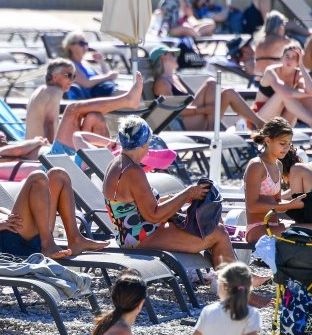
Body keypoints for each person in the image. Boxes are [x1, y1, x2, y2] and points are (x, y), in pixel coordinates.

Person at [103, 117, 271, 305]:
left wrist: (185, 199)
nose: (149, 148)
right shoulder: (133, 171)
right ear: (143, 143)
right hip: (141, 237)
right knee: (217, 233)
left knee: (211, 225)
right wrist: (187, 193)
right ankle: (239, 291)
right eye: (148, 143)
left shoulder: (117, 163)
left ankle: (233, 282)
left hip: (133, 233)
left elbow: (139, 208)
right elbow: (154, 214)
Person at [0, 150, 108, 259]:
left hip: (19, 229)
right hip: (7, 240)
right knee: (37, 177)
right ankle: (47, 243)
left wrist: (7, 215)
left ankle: (75, 239)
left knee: (58, 174)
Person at [25, 60, 143, 162]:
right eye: (68, 75)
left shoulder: (41, 90)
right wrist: (51, 148)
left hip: (49, 150)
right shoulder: (54, 90)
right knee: (72, 109)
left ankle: (107, 159)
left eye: (74, 76)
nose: (72, 80)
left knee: (93, 116)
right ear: (55, 76)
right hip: (51, 155)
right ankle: (128, 100)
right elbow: (49, 124)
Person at [151, 45, 265, 131]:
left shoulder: (174, 78)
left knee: (229, 92)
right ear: (163, 58)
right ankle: (212, 133)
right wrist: (204, 109)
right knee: (211, 82)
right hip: (182, 124)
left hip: (194, 117)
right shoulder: (162, 83)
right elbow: (174, 112)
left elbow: (189, 102)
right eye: (172, 54)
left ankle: (259, 124)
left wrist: (207, 108)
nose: (176, 57)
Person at [243, 117, 306, 242]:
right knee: (307, 230)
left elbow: (277, 201)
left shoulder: (278, 165)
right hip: (257, 229)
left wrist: (298, 205)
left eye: (289, 144)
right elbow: (252, 206)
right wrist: (289, 205)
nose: (286, 148)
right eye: (282, 143)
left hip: (274, 226)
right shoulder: (257, 165)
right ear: (267, 140)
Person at [251, 44, 312, 126]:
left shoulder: (298, 74)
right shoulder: (270, 71)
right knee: (282, 94)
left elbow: (310, 91)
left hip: (283, 119)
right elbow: (286, 93)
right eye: (287, 56)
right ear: (281, 58)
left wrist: (301, 66)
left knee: (304, 96)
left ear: (298, 62)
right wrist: (305, 93)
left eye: (294, 58)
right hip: (261, 118)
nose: (289, 60)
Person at [61, 31, 118, 99]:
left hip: (106, 90)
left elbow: (104, 77)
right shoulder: (69, 65)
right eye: (81, 44)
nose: (85, 46)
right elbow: (86, 83)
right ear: (71, 47)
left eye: (86, 43)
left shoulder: (85, 63)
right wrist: (108, 77)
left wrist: (102, 62)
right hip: (96, 95)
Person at [254, 11, 292, 76]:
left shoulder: (259, 41)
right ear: (280, 26)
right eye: (283, 25)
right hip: (273, 78)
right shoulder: (282, 41)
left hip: (257, 77)